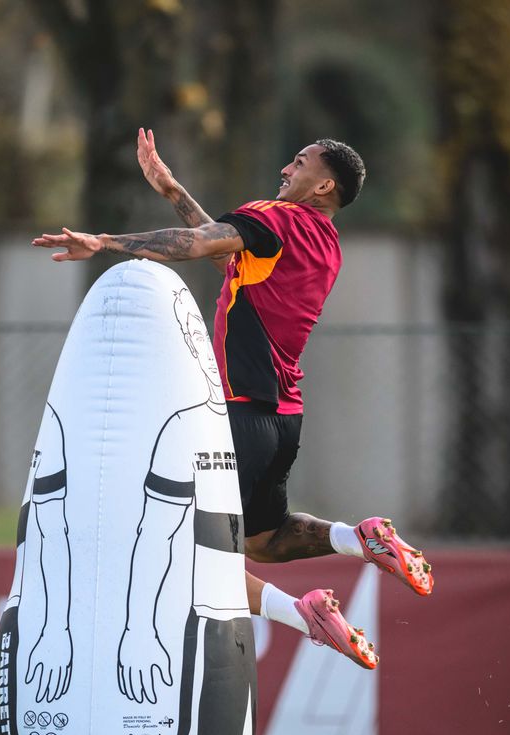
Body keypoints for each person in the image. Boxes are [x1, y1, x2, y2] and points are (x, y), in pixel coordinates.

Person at [32, 128, 433, 656]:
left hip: (238, 416)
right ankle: (359, 540)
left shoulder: (277, 216)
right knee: (264, 542)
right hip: (282, 419)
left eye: (300, 161)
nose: (287, 169)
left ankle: (302, 612)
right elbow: (228, 255)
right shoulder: (324, 243)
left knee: (179, 550)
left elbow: (199, 245)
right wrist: (174, 191)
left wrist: (103, 242)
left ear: (323, 185)